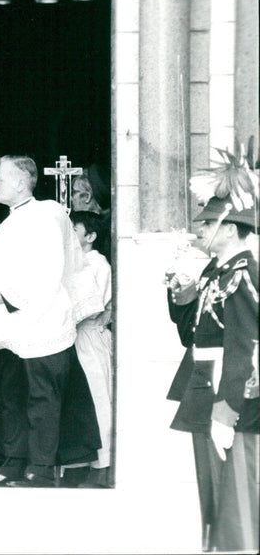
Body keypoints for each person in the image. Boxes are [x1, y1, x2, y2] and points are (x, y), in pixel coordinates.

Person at [0, 155, 102, 488]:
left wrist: (4, 296)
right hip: (12, 327)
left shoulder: (47, 214)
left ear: (20, 181)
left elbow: (48, 269)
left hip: (43, 322)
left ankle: (41, 469)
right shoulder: (10, 221)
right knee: (11, 394)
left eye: (0, 178)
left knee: (43, 399)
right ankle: (14, 464)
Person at [166, 172, 258, 552]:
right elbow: (190, 333)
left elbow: (246, 344)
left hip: (229, 396)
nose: (200, 228)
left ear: (231, 228)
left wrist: (228, 407)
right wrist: (180, 292)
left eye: (208, 222)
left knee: (238, 498)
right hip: (206, 385)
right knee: (215, 499)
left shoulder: (243, 274)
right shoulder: (215, 273)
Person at [69, 210, 113, 487]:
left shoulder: (99, 264)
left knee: (99, 400)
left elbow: (93, 305)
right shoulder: (71, 262)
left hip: (89, 336)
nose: (70, 234)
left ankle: (103, 466)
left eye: (75, 230)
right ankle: (77, 464)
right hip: (69, 337)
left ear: (91, 236)